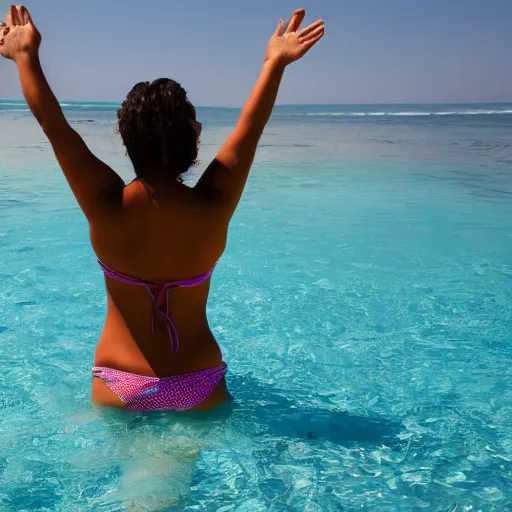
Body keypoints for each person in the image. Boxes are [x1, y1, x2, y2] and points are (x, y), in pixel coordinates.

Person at [0, 5, 325, 412]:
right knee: (171, 473)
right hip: (198, 381)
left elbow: (53, 125)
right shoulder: (213, 204)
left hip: (118, 382)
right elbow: (250, 128)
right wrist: (274, 63)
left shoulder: (106, 205)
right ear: (193, 138)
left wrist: (25, 56)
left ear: (126, 139)